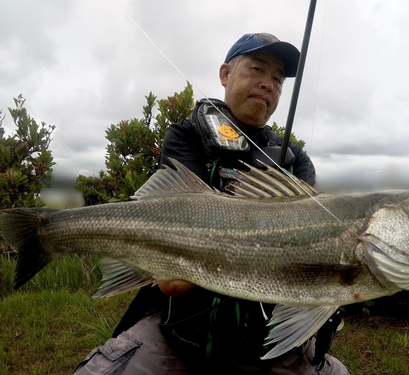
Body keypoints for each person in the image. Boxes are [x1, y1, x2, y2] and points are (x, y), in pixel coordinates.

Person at [74, 33, 350, 375]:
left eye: (277, 80)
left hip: (270, 346)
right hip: (180, 335)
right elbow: (178, 214)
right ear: (225, 74)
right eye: (256, 70)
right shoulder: (187, 134)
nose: (267, 85)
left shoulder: (295, 159)